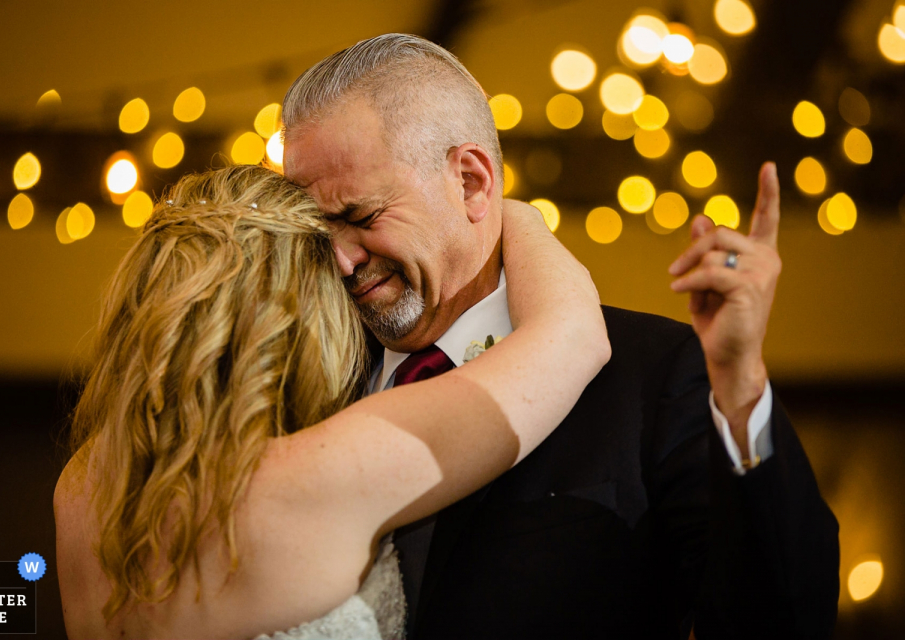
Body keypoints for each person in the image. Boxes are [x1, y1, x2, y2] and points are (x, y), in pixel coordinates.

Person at [280, 33, 840, 638]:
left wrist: (742, 390)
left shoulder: (652, 376)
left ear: (470, 182)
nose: (339, 259)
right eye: (316, 230)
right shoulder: (294, 386)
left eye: (361, 217)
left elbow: (783, 621)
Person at [53, 165, 610, 639]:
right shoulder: (317, 475)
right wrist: (509, 211)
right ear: (293, 316)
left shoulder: (81, 487)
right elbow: (570, 337)